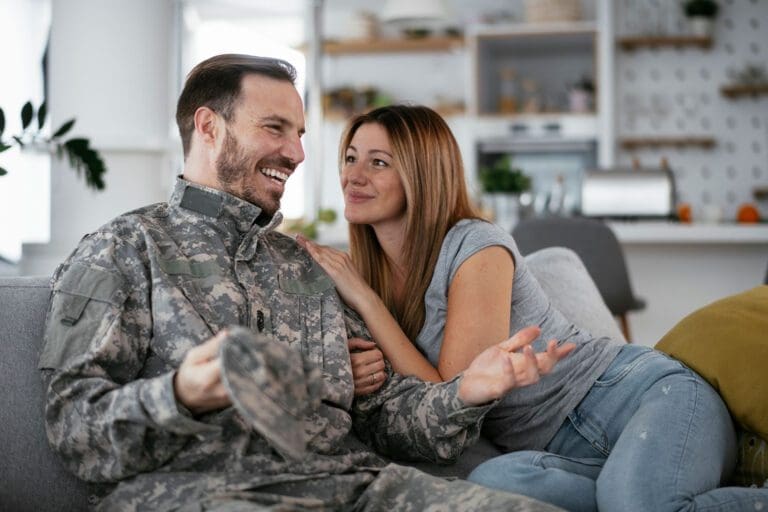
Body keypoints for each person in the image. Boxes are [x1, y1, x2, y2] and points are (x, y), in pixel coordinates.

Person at [38, 54, 565, 511]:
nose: (298, 153)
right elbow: (75, 430)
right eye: (275, 128)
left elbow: (388, 417)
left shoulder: (307, 265)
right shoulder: (124, 248)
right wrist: (181, 395)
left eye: (300, 134)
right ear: (208, 126)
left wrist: (466, 392)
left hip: (350, 489)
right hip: (198, 493)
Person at [297, 104, 768, 511]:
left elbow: (455, 390)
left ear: (422, 175)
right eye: (351, 158)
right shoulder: (370, 271)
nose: (353, 176)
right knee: (491, 488)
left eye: (378, 162)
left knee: (641, 505)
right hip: (562, 453)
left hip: (641, 399)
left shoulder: (474, 245)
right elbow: (404, 400)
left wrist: (366, 300)